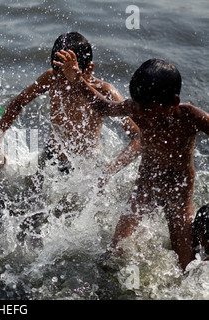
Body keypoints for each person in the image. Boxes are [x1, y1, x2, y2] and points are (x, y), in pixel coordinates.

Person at [54, 50, 209, 270]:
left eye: (148, 109)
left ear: (174, 101)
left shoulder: (190, 117)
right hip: (146, 185)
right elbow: (103, 106)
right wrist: (77, 79)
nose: (141, 114)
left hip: (179, 190)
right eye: (136, 106)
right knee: (114, 255)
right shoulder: (135, 107)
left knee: (186, 265)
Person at [0, 32, 140, 191]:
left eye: (68, 79)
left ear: (88, 69)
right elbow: (17, 103)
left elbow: (139, 137)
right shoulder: (51, 78)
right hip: (51, 157)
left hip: (85, 168)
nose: (62, 86)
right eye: (58, 76)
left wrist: (109, 171)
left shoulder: (105, 92)